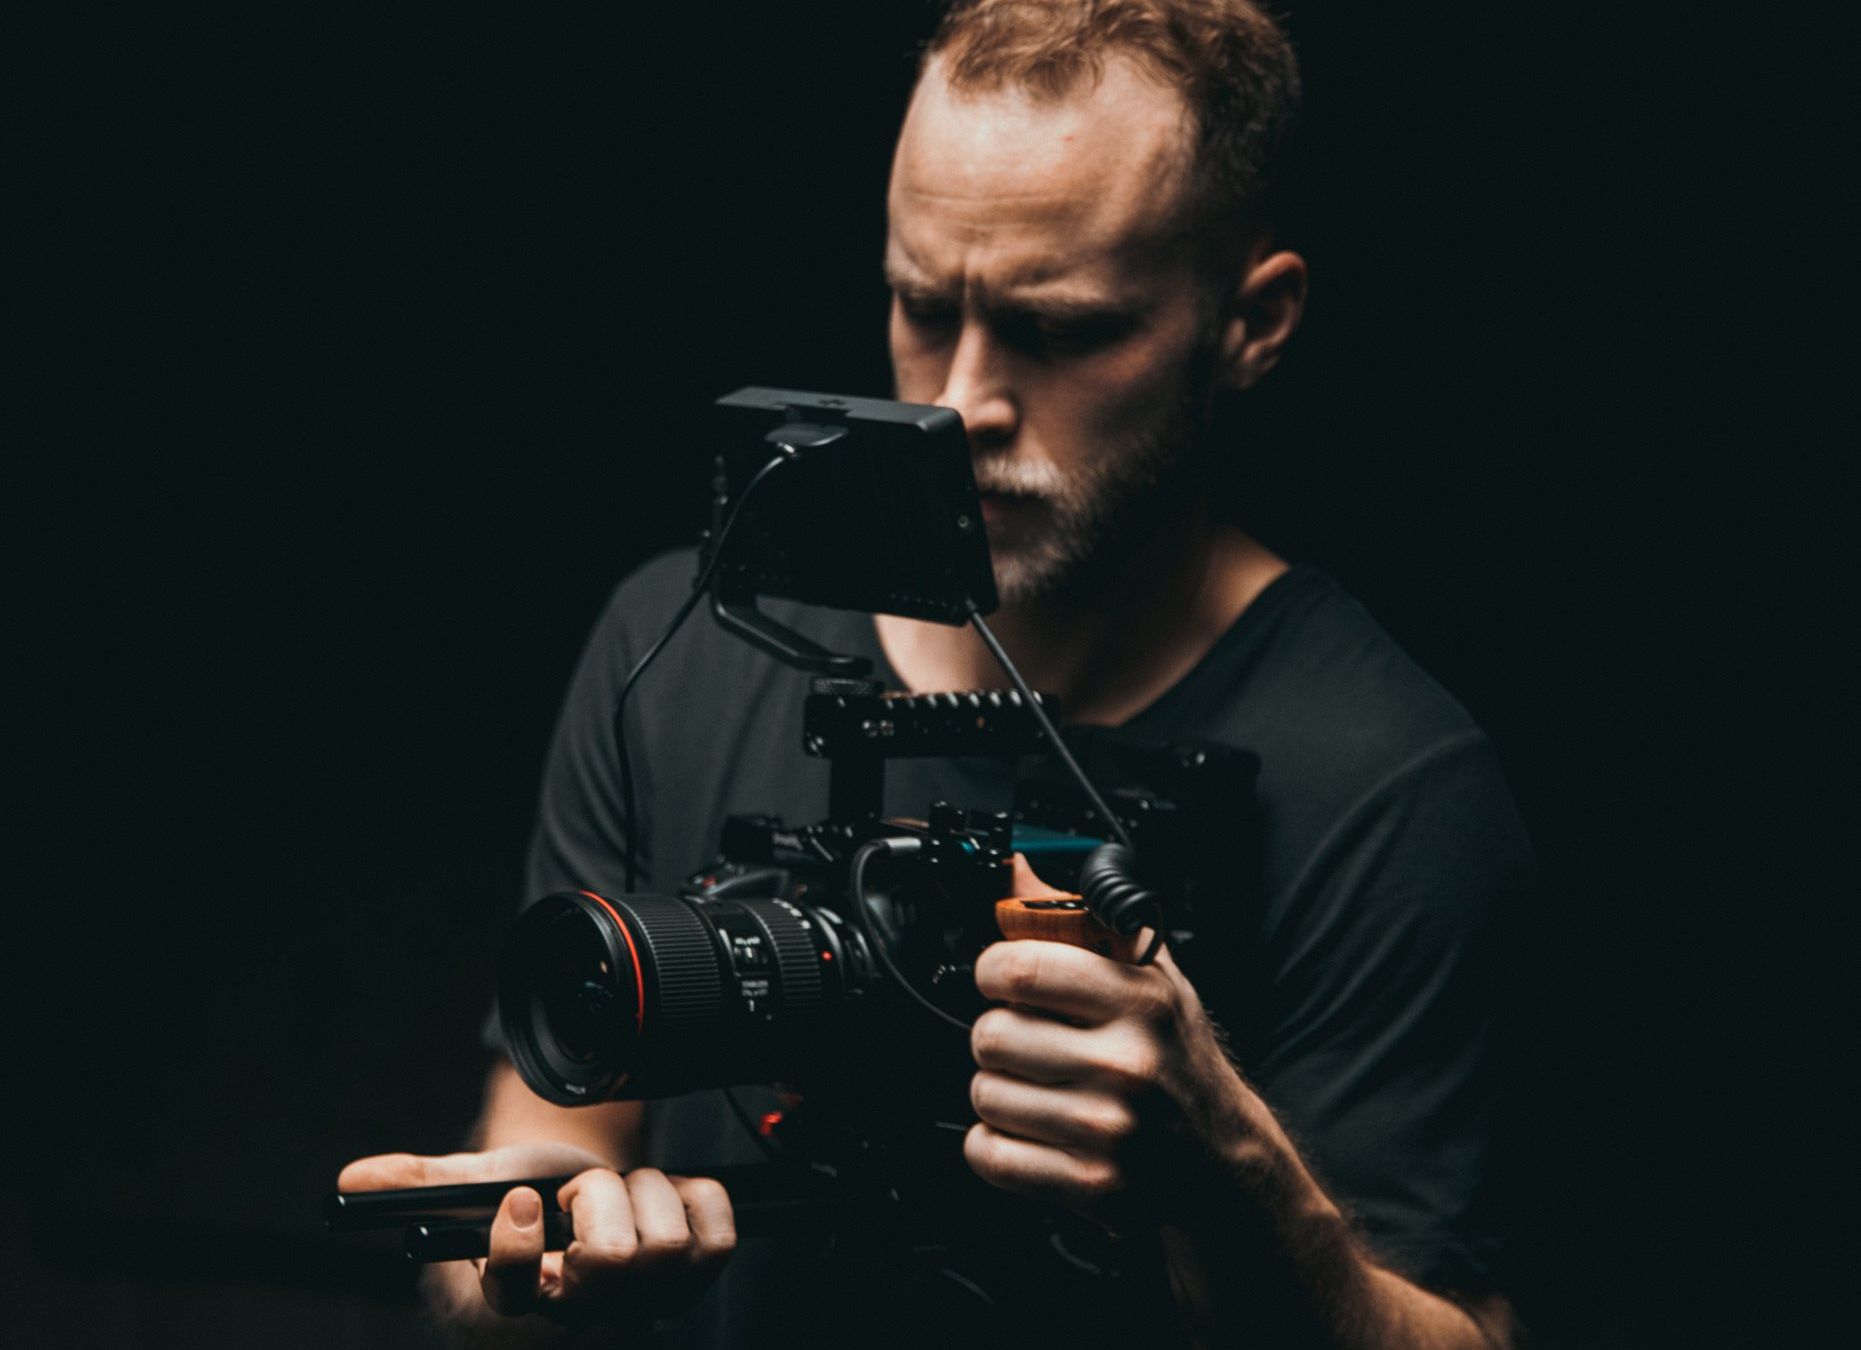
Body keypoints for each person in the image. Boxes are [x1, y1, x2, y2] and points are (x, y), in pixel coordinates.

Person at [341, 2, 1534, 1346]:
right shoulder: (674, 644)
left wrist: (1230, 1172)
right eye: (921, 305)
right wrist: (518, 1260)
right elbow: (543, 1151)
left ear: (1251, 323)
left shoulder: (1382, 778)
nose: (962, 400)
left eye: (1061, 330)